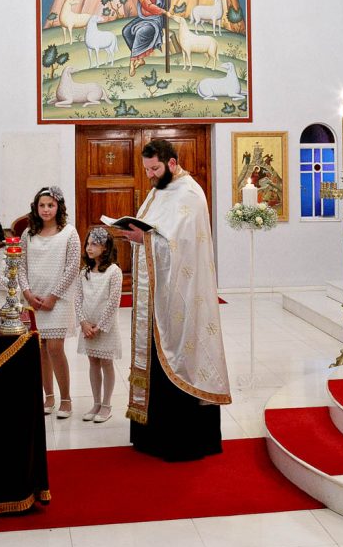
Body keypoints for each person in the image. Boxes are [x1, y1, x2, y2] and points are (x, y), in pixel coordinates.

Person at [119, 138, 231, 461]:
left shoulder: (190, 194)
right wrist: (138, 236)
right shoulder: (158, 191)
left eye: (154, 169)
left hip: (182, 298)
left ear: (171, 163)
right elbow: (157, 233)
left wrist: (145, 239)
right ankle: (151, 437)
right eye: (146, 169)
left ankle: (180, 441)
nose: (150, 175)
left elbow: (181, 246)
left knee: (179, 354)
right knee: (156, 357)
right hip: (158, 296)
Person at [19, 186, 80, 418]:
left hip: (58, 300)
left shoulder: (69, 233)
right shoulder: (28, 234)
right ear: (35, 208)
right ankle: (49, 397)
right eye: (42, 205)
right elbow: (21, 266)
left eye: (50, 205)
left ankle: (66, 399)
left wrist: (53, 296)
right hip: (34, 298)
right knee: (41, 349)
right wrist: (27, 294)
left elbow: (72, 267)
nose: (46, 209)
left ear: (58, 207)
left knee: (55, 348)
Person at [75, 226, 123, 424]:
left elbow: (113, 302)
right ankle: (96, 403)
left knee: (106, 363)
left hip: (105, 328)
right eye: (88, 244)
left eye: (94, 244)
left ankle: (106, 404)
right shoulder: (84, 271)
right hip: (88, 327)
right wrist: (83, 323)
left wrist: (99, 326)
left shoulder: (114, 272)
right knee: (93, 362)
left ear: (105, 247)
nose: (89, 248)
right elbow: (78, 299)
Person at [122, 0, 176, 76]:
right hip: (144, 17)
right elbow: (148, 5)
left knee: (141, 32)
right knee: (126, 30)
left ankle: (132, 62)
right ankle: (140, 59)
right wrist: (165, 11)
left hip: (155, 19)